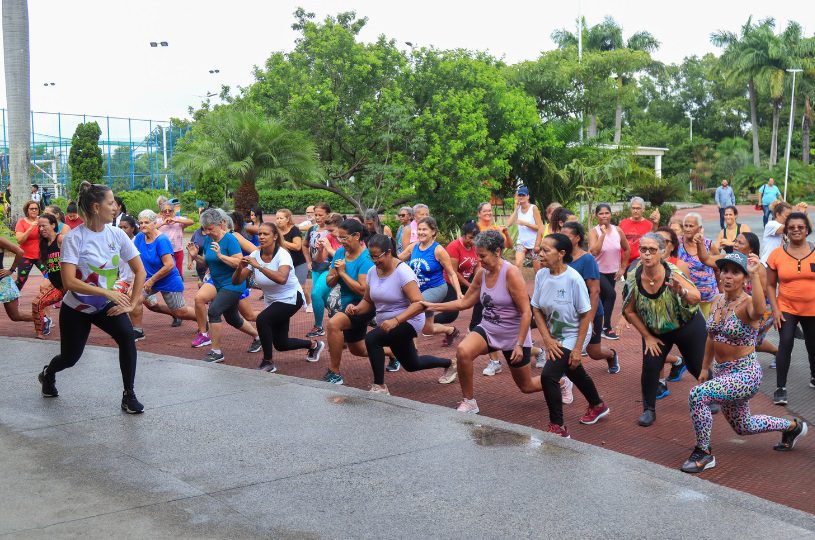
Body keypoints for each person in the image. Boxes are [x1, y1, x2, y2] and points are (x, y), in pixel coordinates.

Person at [681, 251, 808, 473]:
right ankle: (793, 426)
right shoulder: (717, 300)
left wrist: (756, 274)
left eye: (735, 272)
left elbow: (760, 309)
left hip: (745, 374)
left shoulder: (748, 304)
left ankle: (703, 453)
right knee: (744, 426)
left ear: (745, 278)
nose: (728, 276)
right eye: (725, 271)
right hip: (722, 373)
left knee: (698, 395)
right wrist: (703, 367)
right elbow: (711, 336)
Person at [37, 182, 146, 413]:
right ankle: (48, 373)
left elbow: (140, 271)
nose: (115, 207)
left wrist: (133, 303)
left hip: (105, 305)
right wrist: (108, 292)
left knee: (127, 337)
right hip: (76, 308)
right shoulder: (74, 239)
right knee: (70, 358)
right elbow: (69, 282)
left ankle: (129, 394)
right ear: (96, 207)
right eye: (110, 203)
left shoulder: (117, 234)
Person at [423, 230, 542, 413]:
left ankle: (560, 380)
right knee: (463, 351)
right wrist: (431, 306)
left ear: (497, 252)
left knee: (526, 386)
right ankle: (469, 402)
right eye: (478, 256)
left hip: (512, 334)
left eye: (483, 256)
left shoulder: (511, 273)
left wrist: (519, 344)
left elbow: (526, 312)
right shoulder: (482, 273)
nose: (480, 261)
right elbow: (464, 302)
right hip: (489, 328)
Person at [532, 233, 611, 437]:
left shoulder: (573, 279)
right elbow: (536, 309)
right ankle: (597, 404)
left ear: (561, 253)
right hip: (555, 336)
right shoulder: (541, 275)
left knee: (549, 375)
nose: (540, 254)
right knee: (573, 370)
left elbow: (586, 316)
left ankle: (557, 426)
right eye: (540, 249)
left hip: (575, 333)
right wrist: (547, 340)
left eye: (545, 250)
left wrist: (577, 349)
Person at [622, 233, 705, 427]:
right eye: (644, 250)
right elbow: (629, 310)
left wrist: (682, 292)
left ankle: (713, 395)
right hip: (657, 331)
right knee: (650, 367)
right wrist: (648, 337)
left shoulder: (673, 273)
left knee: (697, 366)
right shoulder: (634, 276)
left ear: (662, 252)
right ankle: (648, 410)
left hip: (687, 325)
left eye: (652, 250)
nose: (647, 254)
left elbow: (696, 297)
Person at [359, 234, 457, 394]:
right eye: (371, 257)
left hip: (409, 321)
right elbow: (367, 301)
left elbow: (419, 304)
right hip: (389, 323)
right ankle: (450, 363)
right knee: (412, 364)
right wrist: (355, 309)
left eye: (377, 256)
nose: (374, 260)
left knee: (372, 339)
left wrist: (396, 321)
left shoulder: (403, 272)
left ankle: (379, 386)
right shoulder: (372, 272)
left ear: (388, 252)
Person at [232, 222, 324, 373]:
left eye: (265, 234)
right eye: (260, 234)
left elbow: (282, 278)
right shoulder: (255, 255)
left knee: (262, 319)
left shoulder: (283, 255)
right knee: (281, 344)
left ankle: (268, 362)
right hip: (272, 301)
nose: (261, 237)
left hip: (291, 298)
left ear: (275, 236)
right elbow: (236, 281)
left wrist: (259, 266)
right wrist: (239, 267)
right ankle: (314, 345)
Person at [186, 208, 261, 363]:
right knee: (233, 318)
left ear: (220, 224)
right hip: (219, 284)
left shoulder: (230, 239)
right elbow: (207, 262)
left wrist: (221, 255)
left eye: (210, 229)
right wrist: (195, 257)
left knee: (214, 312)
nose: (206, 233)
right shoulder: (208, 239)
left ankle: (216, 351)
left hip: (233, 283)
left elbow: (239, 262)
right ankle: (257, 337)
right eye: (204, 229)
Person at [766, 212, 815, 406]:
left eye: (800, 227)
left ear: (807, 230)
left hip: (812, 309)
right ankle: (781, 387)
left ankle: (814, 375)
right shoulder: (777, 254)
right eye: (792, 227)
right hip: (786, 307)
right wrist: (775, 310)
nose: (796, 230)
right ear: (786, 230)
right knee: (785, 343)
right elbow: (770, 285)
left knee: (813, 345)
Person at [561, 222, 620, 374]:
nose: (562, 238)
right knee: (567, 348)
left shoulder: (587, 259)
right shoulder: (560, 257)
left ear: (577, 238)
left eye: (566, 235)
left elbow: (594, 292)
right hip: (568, 311)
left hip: (590, 311)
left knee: (594, 352)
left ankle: (611, 354)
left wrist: (591, 319)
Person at [130, 210, 197, 340]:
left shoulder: (161, 240)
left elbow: (169, 265)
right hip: (148, 278)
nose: (143, 225)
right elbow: (137, 262)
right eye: (141, 222)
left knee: (180, 311)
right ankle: (137, 331)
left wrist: (152, 281)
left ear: (155, 223)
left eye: (146, 222)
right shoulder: (139, 238)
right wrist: (134, 282)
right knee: (135, 299)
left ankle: (202, 318)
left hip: (167, 278)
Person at [322, 219, 374, 385]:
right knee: (359, 350)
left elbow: (362, 290)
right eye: (339, 238)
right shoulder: (339, 253)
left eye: (344, 238)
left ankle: (334, 372)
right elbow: (329, 281)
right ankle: (393, 353)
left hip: (363, 306)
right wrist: (337, 273)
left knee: (333, 324)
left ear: (357, 236)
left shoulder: (366, 258)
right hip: (345, 306)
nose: (341, 242)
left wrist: (343, 273)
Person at [399, 216, 463, 346]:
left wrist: (459, 293)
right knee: (427, 329)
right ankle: (451, 331)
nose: (421, 232)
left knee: (414, 307)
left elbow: (451, 273)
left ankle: (412, 349)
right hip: (419, 290)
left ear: (433, 232)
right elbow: (397, 260)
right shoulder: (413, 247)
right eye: (419, 229)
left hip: (437, 288)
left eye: (425, 229)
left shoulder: (438, 250)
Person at [588, 203, 631, 340]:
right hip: (596, 271)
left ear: (611, 214)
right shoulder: (594, 232)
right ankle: (606, 327)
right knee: (611, 295)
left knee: (603, 299)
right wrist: (603, 235)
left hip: (613, 272)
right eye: (601, 213)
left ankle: (595, 327)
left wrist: (623, 268)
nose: (604, 216)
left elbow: (627, 249)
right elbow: (594, 251)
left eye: (607, 213)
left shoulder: (618, 230)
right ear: (596, 216)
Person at [435, 221, 481, 331]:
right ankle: (429, 322)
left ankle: (473, 328)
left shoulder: (475, 246)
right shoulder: (454, 246)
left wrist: (476, 281)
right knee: (450, 315)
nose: (472, 241)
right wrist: (470, 285)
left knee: (481, 297)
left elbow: (477, 266)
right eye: (470, 237)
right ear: (463, 235)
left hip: (466, 281)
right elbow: (453, 272)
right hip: (449, 282)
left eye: (475, 238)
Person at [304, 208, 342, 337]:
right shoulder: (329, 237)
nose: (329, 233)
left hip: (345, 272)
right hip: (330, 270)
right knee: (323, 298)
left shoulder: (349, 236)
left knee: (318, 296)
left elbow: (343, 257)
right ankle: (324, 326)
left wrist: (329, 248)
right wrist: (320, 250)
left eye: (331, 230)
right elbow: (319, 260)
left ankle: (339, 326)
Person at [680, 212, 720, 318]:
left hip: (709, 296)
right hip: (687, 296)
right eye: (686, 226)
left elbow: (718, 269)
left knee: (708, 328)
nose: (687, 229)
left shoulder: (708, 244)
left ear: (699, 228)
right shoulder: (677, 244)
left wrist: (721, 292)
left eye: (691, 226)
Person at [32, 213, 63, 338]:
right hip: (57, 286)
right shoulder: (43, 244)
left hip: (71, 286)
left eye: (44, 226)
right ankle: (40, 332)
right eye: (39, 227)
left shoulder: (61, 239)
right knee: (36, 303)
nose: (41, 229)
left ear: (53, 225)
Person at [275, 209, 310, 310]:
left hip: (299, 262)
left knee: (301, 286)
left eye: (281, 218)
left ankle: (308, 304)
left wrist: (281, 241)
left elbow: (297, 246)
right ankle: (286, 304)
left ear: (287, 219)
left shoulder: (294, 229)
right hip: (284, 263)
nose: (278, 220)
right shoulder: (275, 231)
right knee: (283, 286)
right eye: (277, 218)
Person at [506, 186, 543, 272]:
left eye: (523, 195)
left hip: (534, 243)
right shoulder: (518, 209)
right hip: (521, 242)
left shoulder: (533, 208)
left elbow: (540, 227)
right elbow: (508, 224)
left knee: (537, 270)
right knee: (518, 264)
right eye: (519, 195)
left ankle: (540, 284)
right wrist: (515, 210)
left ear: (528, 196)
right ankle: (518, 285)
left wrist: (525, 223)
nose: (521, 197)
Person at [0, 236, 34, 324]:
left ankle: (43, 318)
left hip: (3, 283)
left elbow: (20, 251)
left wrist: (11, 270)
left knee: (15, 316)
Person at [14, 200, 47, 290]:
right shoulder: (21, 222)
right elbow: (19, 240)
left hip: (41, 256)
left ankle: (51, 299)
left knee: (50, 276)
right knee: (21, 280)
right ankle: (12, 300)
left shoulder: (43, 221)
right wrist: (30, 227)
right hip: (26, 256)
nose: (34, 210)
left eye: (36, 209)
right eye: (31, 209)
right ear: (27, 210)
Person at [619, 196, 659, 266]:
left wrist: (655, 224)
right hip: (623, 262)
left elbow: (653, 240)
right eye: (633, 208)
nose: (635, 210)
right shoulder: (623, 223)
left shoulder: (649, 225)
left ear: (643, 209)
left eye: (638, 208)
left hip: (640, 262)